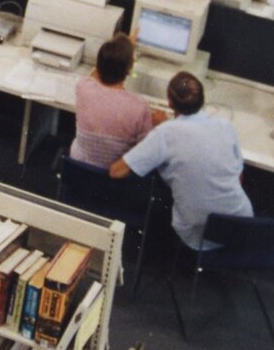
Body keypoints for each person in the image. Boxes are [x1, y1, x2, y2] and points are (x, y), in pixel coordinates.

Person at [109, 71, 253, 251]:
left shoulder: (165, 134)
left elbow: (117, 171)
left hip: (197, 234)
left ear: (169, 102)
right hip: (243, 226)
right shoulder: (225, 126)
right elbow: (238, 178)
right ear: (202, 100)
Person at [70, 33, 165, 170]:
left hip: (79, 171)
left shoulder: (83, 87)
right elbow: (146, 152)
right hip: (114, 178)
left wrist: (119, 51)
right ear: (128, 71)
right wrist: (159, 126)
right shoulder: (139, 107)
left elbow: (95, 74)